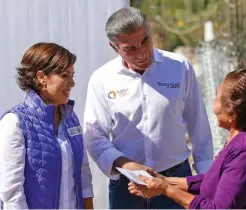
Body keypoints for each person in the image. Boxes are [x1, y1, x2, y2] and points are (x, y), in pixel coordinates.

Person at [83, 7, 213, 209]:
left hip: (175, 181)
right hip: (127, 186)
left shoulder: (179, 67)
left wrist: (207, 181)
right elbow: (94, 136)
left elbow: (199, 127)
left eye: (145, 41)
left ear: (149, 31)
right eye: (130, 49)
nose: (142, 53)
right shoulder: (101, 80)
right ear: (114, 47)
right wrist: (124, 164)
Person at [129, 69, 246, 209]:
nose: (213, 105)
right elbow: (216, 180)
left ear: (233, 113)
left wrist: (165, 188)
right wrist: (163, 180)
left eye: (217, 98)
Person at [0, 43, 94, 209]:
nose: (72, 83)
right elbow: (12, 196)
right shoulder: (14, 122)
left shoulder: (72, 119)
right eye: (65, 76)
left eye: (72, 75)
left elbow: (83, 174)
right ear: (41, 77)